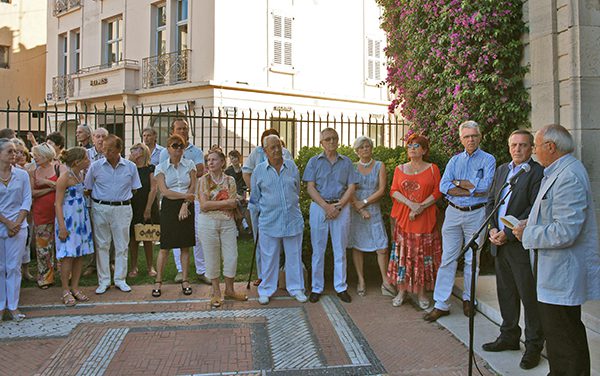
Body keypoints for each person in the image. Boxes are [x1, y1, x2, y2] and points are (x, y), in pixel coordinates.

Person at [513, 124, 600, 375]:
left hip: (561, 272)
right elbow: (553, 215)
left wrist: (526, 233)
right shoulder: (556, 171)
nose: (534, 151)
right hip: (552, 271)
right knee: (560, 336)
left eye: (537, 146)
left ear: (551, 147)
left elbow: (566, 231)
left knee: (564, 337)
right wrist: (530, 222)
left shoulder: (569, 175)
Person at [481, 129, 544, 370]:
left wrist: (507, 235)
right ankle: (508, 336)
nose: (517, 149)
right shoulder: (502, 170)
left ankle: (533, 346)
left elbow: (534, 210)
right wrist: (492, 231)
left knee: (529, 296)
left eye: (523, 145)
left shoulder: (537, 173)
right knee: (506, 293)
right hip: (499, 242)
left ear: (531, 149)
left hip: (520, 245)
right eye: (514, 145)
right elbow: (491, 202)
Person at [424, 120, 495, 322]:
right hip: (453, 213)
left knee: (473, 259)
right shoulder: (455, 161)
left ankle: (468, 299)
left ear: (480, 137)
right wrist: (470, 187)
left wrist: (461, 185)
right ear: (461, 139)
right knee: (448, 258)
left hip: (477, 213)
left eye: (474, 136)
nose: (470, 139)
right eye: (467, 136)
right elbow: (444, 186)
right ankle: (441, 303)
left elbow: (487, 186)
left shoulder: (488, 159)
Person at [251, 135, 307, 305]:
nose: (276, 150)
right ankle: (266, 290)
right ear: (265, 151)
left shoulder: (291, 167)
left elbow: (296, 189)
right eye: (272, 148)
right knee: (269, 257)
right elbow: (255, 197)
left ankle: (296, 288)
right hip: (269, 221)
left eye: (279, 146)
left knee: (294, 256)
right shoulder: (259, 170)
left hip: (292, 219)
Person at [303, 128, 357, 303]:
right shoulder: (314, 161)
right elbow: (310, 187)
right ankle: (317, 288)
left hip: (341, 206)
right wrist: (326, 206)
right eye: (327, 139)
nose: (331, 142)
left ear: (338, 140)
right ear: (321, 143)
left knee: (340, 249)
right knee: (318, 250)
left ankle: (341, 287)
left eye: (334, 138)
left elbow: (351, 187)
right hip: (320, 207)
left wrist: (339, 206)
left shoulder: (347, 162)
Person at [388, 134, 442, 309]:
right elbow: (394, 191)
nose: (412, 148)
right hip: (404, 218)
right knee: (404, 256)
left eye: (417, 145)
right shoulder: (399, 169)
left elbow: (437, 192)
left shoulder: (433, 169)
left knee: (422, 256)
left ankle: (421, 293)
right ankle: (402, 291)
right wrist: (411, 204)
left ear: (424, 150)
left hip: (425, 219)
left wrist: (420, 207)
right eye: (410, 145)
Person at [84, 135, 141, 294]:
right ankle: (103, 281)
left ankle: (120, 279)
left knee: (122, 244)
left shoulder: (130, 167)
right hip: (100, 208)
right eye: (103, 148)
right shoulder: (95, 166)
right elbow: (87, 188)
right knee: (102, 245)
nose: (105, 151)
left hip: (122, 209)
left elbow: (135, 188)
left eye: (109, 149)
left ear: (118, 150)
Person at [159, 119, 209, 285]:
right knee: (174, 238)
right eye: (179, 128)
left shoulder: (195, 152)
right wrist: (182, 198)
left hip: (191, 199)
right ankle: (181, 271)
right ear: (173, 130)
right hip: (172, 201)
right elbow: (164, 182)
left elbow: (200, 170)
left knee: (196, 235)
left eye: (185, 129)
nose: (183, 131)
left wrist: (186, 202)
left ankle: (201, 270)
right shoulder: (164, 154)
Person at [242, 129, 293, 285]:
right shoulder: (256, 153)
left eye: (275, 143)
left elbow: (292, 176)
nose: (274, 148)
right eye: (267, 143)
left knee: (280, 241)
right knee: (261, 240)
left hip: (278, 205)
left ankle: (278, 273)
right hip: (259, 204)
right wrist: (257, 192)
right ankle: (262, 275)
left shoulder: (285, 153)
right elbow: (246, 172)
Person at [198, 150, 248, 307]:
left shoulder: (230, 180)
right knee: (211, 256)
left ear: (222, 162)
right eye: (208, 160)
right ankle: (216, 292)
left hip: (227, 223)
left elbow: (233, 203)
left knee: (231, 256)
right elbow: (204, 206)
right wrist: (224, 204)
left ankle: (230, 290)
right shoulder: (203, 180)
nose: (210, 163)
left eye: (214, 160)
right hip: (207, 223)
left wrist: (218, 204)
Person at [347, 136, 393, 297]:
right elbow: (349, 190)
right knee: (357, 245)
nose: (366, 149)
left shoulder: (379, 165)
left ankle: (385, 282)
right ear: (357, 151)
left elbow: (381, 190)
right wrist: (359, 208)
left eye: (368, 146)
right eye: (362, 147)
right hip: (356, 210)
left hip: (373, 209)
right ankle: (361, 280)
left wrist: (364, 202)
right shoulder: (352, 167)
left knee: (382, 246)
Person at [152, 134, 196, 297]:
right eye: (174, 146)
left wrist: (185, 204)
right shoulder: (161, 167)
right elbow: (165, 191)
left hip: (186, 205)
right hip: (170, 206)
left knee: (185, 245)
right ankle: (158, 280)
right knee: (165, 246)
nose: (178, 149)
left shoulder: (190, 164)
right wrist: (185, 197)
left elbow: (192, 186)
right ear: (168, 148)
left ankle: (185, 279)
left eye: (181, 146)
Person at [55, 147, 94, 306]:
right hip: (69, 220)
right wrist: (62, 227)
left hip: (81, 220)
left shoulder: (79, 175)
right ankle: (65, 289)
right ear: (77, 162)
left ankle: (75, 287)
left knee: (79, 255)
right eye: (86, 158)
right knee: (68, 256)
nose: (88, 160)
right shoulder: (64, 178)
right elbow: (57, 204)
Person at [0, 138, 32, 321]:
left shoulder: (21, 174)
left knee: (14, 267)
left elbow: (27, 200)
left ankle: (13, 306)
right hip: (3, 223)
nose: (15, 154)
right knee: (0, 267)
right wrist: (7, 222)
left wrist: (17, 223)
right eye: (9, 151)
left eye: (15, 151)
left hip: (19, 226)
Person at [29, 143, 65, 289]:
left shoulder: (59, 167)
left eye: (37, 155)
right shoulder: (33, 171)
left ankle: (64, 274)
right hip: (41, 213)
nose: (34, 157)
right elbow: (32, 193)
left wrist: (46, 183)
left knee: (61, 246)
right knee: (43, 248)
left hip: (59, 213)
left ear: (46, 155)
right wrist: (51, 188)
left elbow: (65, 186)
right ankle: (45, 278)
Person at [127, 143, 159, 278]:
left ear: (143, 152)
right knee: (133, 239)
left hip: (147, 204)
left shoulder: (151, 168)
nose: (133, 151)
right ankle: (134, 267)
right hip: (132, 205)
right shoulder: (129, 168)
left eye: (136, 149)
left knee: (147, 237)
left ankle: (150, 266)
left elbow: (153, 189)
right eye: (132, 149)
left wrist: (148, 208)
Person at [225, 149, 251, 235]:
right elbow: (226, 186)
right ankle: (243, 221)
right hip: (231, 193)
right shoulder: (228, 171)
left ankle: (239, 226)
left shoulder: (244, 170)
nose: (234, 160)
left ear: (239, 158)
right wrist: (236, 195)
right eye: (232, 158)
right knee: (236, 201)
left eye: (235, 157)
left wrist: (243, 195)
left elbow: (246, 185)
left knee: (239, 202)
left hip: (242, 193)